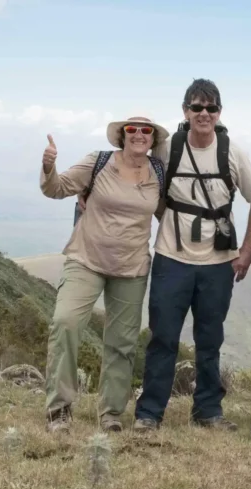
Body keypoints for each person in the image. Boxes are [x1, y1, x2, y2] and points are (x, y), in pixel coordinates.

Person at [133, 79, 251, 432]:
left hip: (218, 263)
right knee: (163, 336)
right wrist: (88, 190)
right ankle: (149, 413)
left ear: (219, 113)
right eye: (197, 107)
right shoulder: (168, 148)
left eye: (210, 108)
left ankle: (207, 411)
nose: (203, 114)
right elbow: (137, 176)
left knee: (210, 339)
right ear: (185, 111)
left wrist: (246, 251)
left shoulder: (232, 153)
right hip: (171, 257)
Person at [39, 115, 169, 433]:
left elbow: (167, 213)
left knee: (122, 343)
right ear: (122, 135)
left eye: (146, 130)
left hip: (132, 268)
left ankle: (111, 413)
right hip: (85, 259)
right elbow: (56, 188)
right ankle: (59, 409)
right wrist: (48, 166)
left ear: (153, 139)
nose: (138, 134)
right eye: (131, 129)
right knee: (66, 323)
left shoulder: (158, 172)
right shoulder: (98, 162)